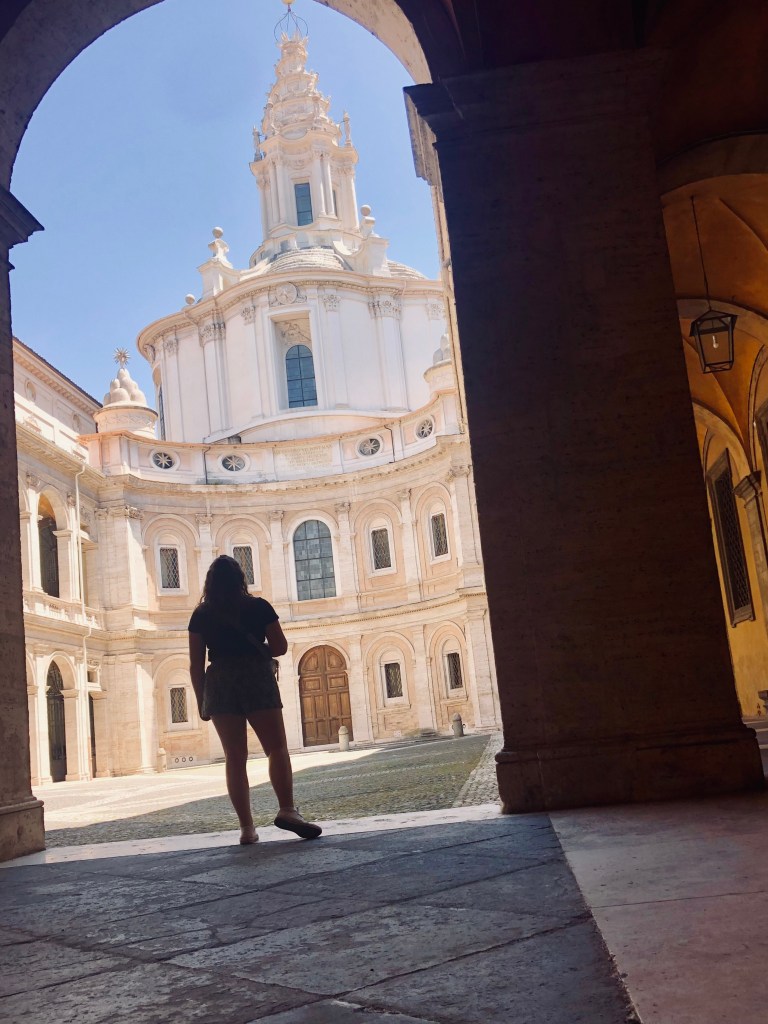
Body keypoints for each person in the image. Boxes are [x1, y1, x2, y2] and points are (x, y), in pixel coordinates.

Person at [188, 554, 322, 844]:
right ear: (240, 579)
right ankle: (287, 809)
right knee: (277, 748)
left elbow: (195, 664)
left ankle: (247, 829)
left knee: (235, 758)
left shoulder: (201, 615)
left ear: (210, 584)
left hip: (220, 681)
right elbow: (281, 647)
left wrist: (202, 701)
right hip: (255, 676)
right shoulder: (259, 606)